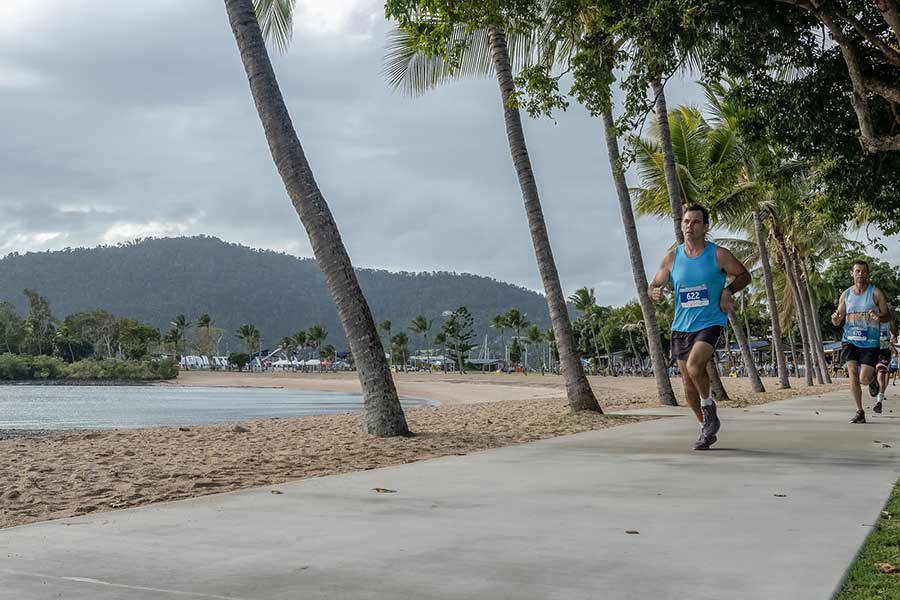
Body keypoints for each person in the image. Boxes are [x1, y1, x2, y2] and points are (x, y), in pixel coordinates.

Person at [650, 204, 752, 450]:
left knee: (696, 367)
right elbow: (653, 284)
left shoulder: (718, 254)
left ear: (705, 227)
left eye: (695, 222)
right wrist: (654, 291)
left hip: (711, 322)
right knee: (687, 384)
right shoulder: (673, 258)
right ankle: (705, 428)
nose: (689, 226)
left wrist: (728, 290)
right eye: (686, 221)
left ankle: (709, 406)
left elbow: (744, 276)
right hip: (681, 325)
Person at [831, 260, 891, 423]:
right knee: (852, 374)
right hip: (849, 340)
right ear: (852, 274)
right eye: (857, 271)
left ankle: (872, 382)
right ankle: (859, 411)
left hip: (870, 342)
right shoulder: (846, 294)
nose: (860, 274)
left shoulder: (875, 293)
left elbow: (888, 315)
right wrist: (835, 319)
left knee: (864, 378)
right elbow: (838, 317)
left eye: (863, 271)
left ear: (868, 273)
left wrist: (879, 316)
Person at [873, 316, 898, 414]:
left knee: (882, 373)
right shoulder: (868, 316)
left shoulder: (889, 320)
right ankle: (873, 383)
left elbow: (894, 334)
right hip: (871, 348)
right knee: (870, 374)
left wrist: (893, 338)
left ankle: (879, 401)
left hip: (884, 349)